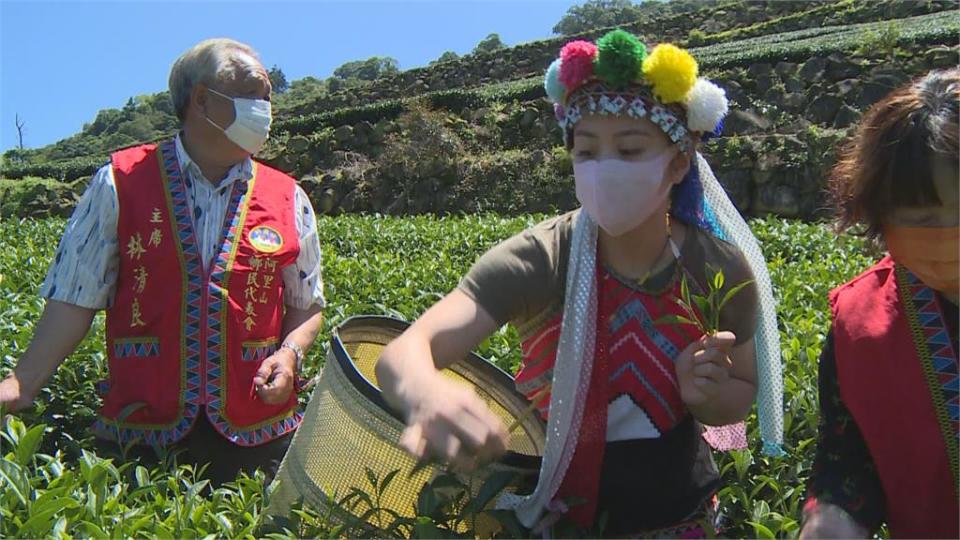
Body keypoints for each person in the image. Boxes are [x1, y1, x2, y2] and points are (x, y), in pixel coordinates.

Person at [376, 30, 783, 537]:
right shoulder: (541, 258)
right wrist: (426, 392)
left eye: (630, 150)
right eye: (586, 151)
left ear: (679, 161)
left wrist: (706, 397)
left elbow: (739, 395)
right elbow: (404, 351)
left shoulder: (715, 268)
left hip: (678, 515)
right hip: (553, 516)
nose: (603, 169)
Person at [0, 38, 326, 485]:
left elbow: (305, 302)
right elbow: (74, 298)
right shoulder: (120, 182)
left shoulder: (289, 197)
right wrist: (22, 382)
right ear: (201, 100)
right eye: (253, 93)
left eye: (268, 97)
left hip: (258, 432)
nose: (265, 108)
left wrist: (290, 355)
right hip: (141, 432)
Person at [801, 68, 959, 539]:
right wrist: (831, 517)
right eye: (923, 217)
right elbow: (847, 457)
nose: (950, 232)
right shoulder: (861, 326)